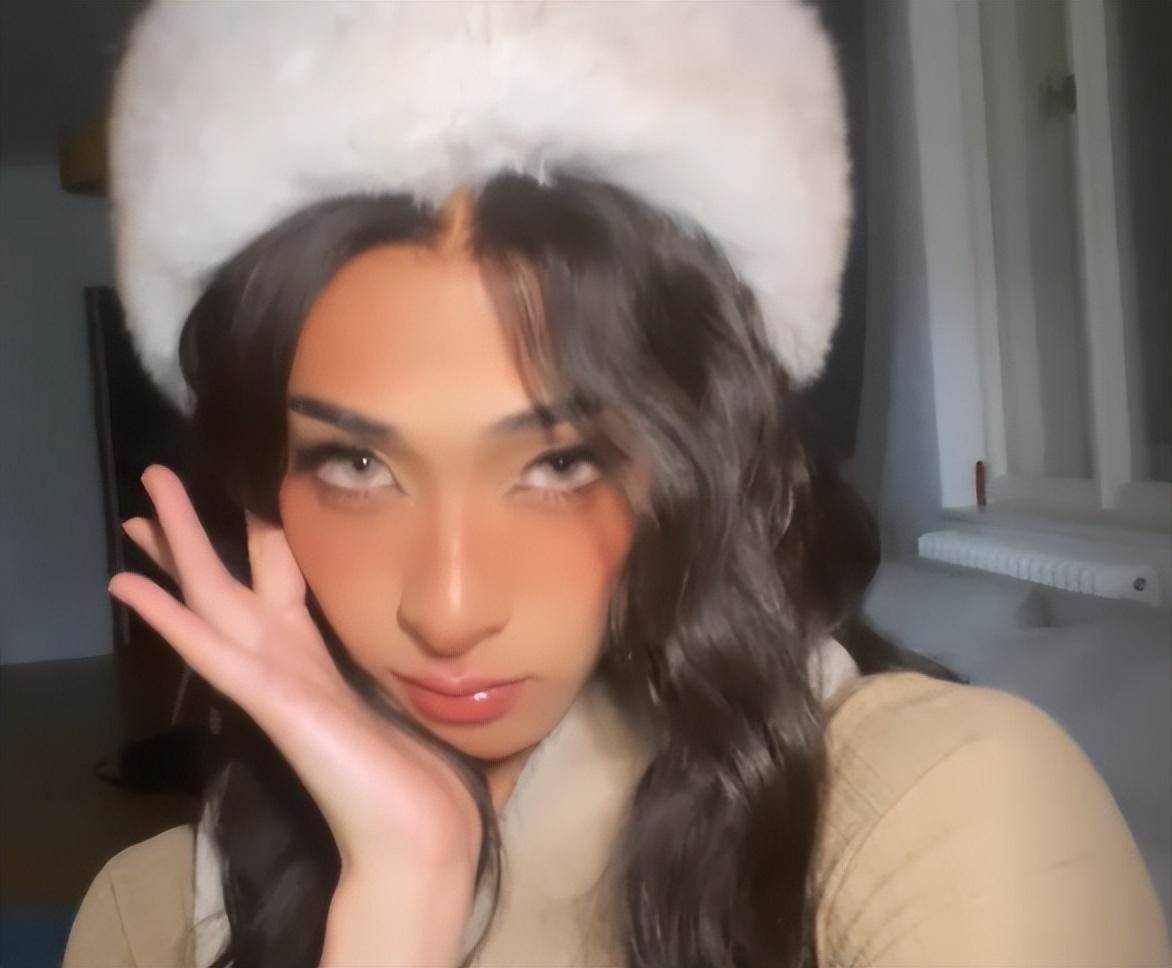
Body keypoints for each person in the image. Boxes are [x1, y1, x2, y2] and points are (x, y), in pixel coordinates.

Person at [64, 2, 1169, 966]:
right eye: (357, 464)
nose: (448, 608)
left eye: (557, 463)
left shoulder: (939, 813)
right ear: (264, 490)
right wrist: (399, 897)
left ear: (697, 460)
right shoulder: (153, 918)